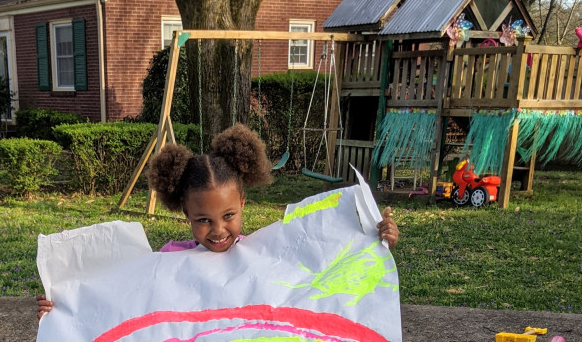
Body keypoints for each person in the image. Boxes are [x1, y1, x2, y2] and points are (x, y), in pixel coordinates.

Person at [37, 124, 398, 319]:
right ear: (185, 213)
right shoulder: (169, 260)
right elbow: (124, 299)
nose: (219, 230)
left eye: (228, 216)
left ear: (243, 202)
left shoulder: (264, 252)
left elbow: (318, 275)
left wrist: (373, 240)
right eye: (204, 220)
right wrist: (67, 305)